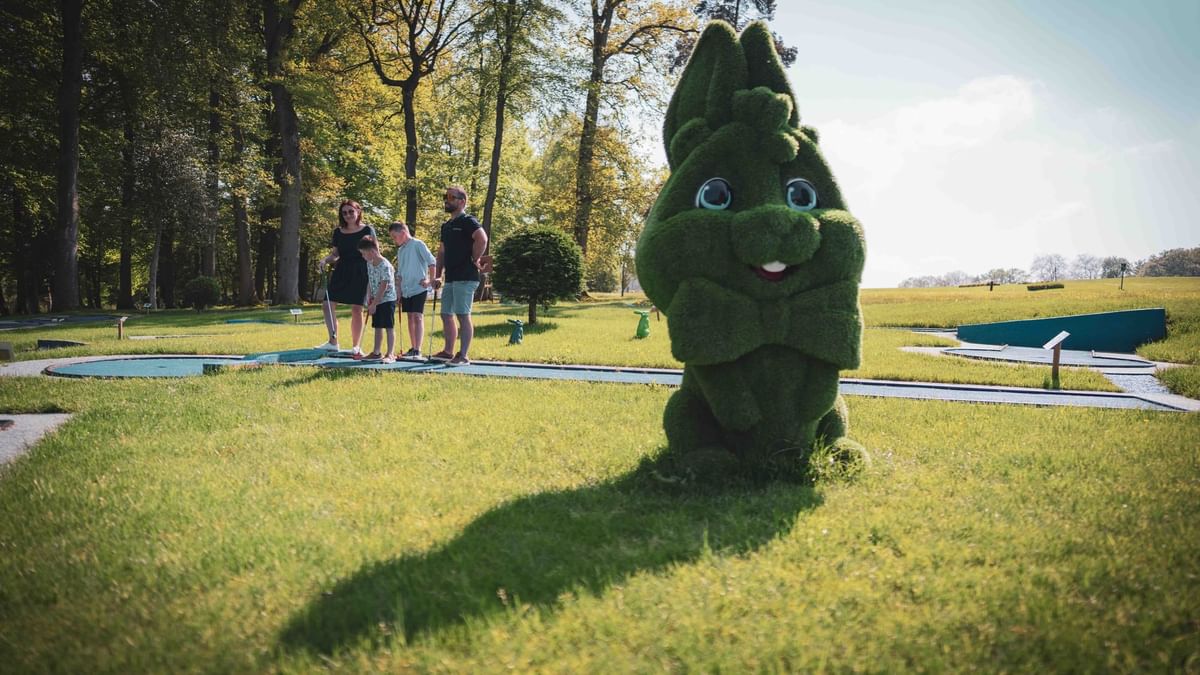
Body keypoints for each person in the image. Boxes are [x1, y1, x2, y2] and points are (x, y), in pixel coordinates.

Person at [431, 185, 487, 365]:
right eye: (446, 197)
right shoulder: (446, 226)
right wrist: (438, 275)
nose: (447, 200)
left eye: (451, 197)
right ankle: (448, 352)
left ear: (462, 202)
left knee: (463, 315)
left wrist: (475, 258)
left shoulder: (468, 221)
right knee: (446, 314)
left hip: (466, 276)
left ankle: (463, 355)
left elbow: (482, 238)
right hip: (451, 277)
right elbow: (441, 252)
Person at [316, 200, 376, 356]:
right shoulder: (338, 232)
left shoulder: (368, 229)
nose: (348, 215)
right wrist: (325, 260)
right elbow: (335, 254)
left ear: (358, 211)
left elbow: (375, 252)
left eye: (351, 211)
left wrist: (380, 272)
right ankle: (333, 342)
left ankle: (356, 346)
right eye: (344, 212)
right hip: (341, 270)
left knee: (357, 308)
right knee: (327, 304)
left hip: (361, 271)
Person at [388, 221, 437, 359]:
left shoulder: (418, 244)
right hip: (406, 289)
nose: (394, 240)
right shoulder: (401, 250)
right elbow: (400, 272)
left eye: (394, 236)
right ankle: (413, 347)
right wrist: (398, 290)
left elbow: (432, 262)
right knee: (410, 317)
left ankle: (418, 349)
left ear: (403, 233)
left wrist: (429, 280)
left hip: (419, 287)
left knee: (417, 316)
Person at [357, 235, 398, 363]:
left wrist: (374, 303)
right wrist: (368, 296)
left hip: (387, 300)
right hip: (375, 299)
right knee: (378, 326)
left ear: (373, 251)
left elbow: (383, 286)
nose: (363, 256)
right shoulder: (369, 263)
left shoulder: (385, 265)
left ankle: (390, 354)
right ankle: (376, 353)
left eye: (364, 254)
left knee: (388, 327)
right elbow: (370, 281)